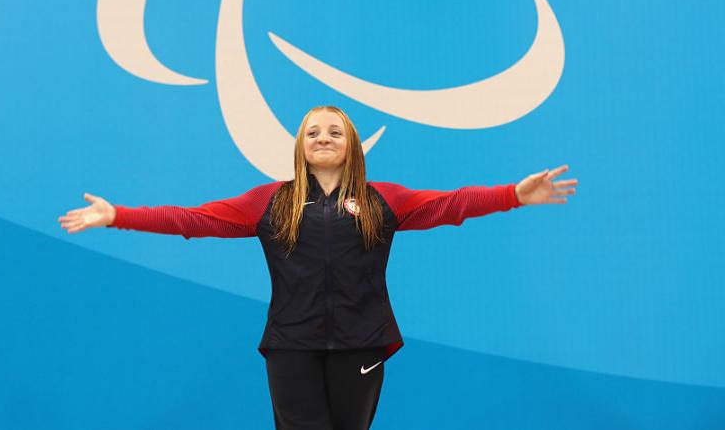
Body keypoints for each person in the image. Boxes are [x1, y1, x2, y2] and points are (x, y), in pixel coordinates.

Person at [58, 105, 578, 430]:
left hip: (362, 342)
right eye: (313, 132)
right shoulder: (270, 202)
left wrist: (513, 195)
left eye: (334, 130)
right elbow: (193, 220)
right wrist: (117, 215)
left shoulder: (384, 199)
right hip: (292, 346)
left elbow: (452, 204)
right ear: (300, 147)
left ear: (351, 144)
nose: (324, 137)